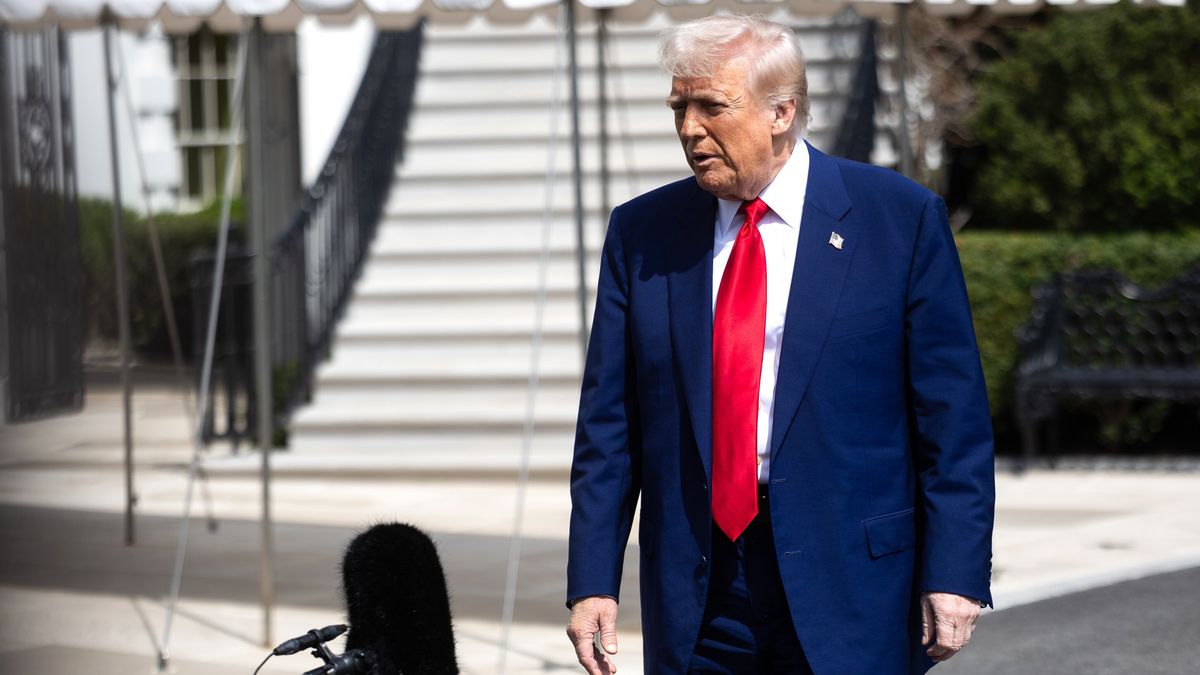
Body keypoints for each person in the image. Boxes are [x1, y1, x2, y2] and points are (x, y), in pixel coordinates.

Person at [565, 14, 995, 675]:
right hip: (702, 589)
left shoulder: (898, 220)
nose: (689, 129)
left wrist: (955, 571)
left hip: (852, 583)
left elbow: (952, 419)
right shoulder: (643, 233)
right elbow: (609, 427)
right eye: (679, 107)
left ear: (781, 112)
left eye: (711, 107)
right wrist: (593, 580)